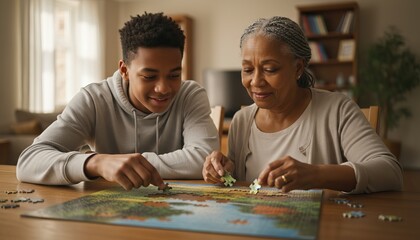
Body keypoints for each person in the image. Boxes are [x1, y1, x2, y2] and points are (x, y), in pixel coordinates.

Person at [17, 12, 219, 190]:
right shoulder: (93, 99)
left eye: (174, 75)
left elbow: (204, 158)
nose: (163, 88)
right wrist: (97, 163)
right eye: (149, 77)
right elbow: (28, 161)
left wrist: (130, 164)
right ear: (124, 70)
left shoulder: (190, 94)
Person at [202, 16, 403, 194]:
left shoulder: (338, 110)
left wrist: (316, 174)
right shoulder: (242, 120)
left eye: (270, 69)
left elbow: (390, 172)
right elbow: (238, 186)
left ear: (298, 68)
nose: (255, 81)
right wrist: (222, 172)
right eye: (247, 69)